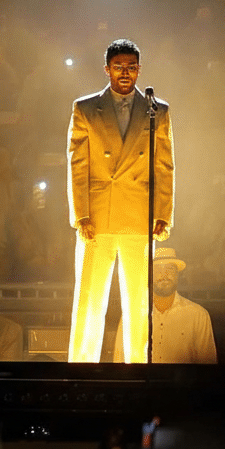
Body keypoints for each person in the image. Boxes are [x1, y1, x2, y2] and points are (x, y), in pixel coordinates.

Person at [66, 39, 174, 363]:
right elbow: (77, 164)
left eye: (131, 67)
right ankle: (81, 369)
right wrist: (81, 214)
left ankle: (138, 370)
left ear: (139, 69)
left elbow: (164, 165)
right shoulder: (85, 108)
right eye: (118, 66)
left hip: (138, 212)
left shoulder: (158, 110)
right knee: (89, 298)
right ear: (107, 69)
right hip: (97, 215)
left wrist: (163, 215)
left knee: (139, 303)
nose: (125, 73)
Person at [112, 248, 217, 364]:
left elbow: (208, 365)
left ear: (177, 274)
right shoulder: (132, 314)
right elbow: (119, 359)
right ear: (149, 275)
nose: (164, 275)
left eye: (170, 269)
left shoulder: (198, 315)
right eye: (157, 270)